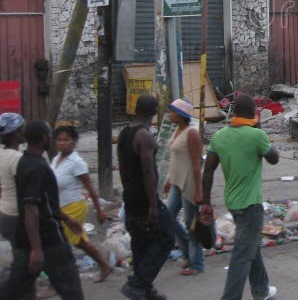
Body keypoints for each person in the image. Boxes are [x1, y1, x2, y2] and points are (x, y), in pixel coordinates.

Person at [201, 94, 279, 300]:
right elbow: (274, 158)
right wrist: (259, 128)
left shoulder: (220, 136)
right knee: (242, 255)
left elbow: (207, 171)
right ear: (254, 113)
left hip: (233, 203)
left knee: (250, 244)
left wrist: (206, 203)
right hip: (251, 205)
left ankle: (261, 289)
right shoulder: (256, 136)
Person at [1, 120, 84, 300]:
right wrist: (37, 249)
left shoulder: (24, 161)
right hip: (49, 239)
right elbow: (32, 208)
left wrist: (68, 219)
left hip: (26, 238)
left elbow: (45, 203)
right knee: (72, 291)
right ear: (44, 138)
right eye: (51, 135)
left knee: (15, 289)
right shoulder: (37, 167)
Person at [118, 94, 174, 300]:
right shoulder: (144, 136)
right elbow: (148, 172)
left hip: (131, 196)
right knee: (166, 237)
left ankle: (146, 290)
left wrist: (127, 191)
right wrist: (152, 205)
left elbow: (123, 168)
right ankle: (138, 284)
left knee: (140, 243)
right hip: (144, 198)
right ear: (154, 112)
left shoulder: (125, 133)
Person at [51, 125, 112, 283]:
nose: (62, 143)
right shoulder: (56, 159)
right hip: (59, 208)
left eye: (66, 140)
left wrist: (99, 211)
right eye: (59, 140)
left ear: (74, 141)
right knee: (80, 241)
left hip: (73, 207)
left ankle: (59, 279)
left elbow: (90, 188)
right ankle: (104, 265)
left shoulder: (77, 162)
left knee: (68, 242)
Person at [163, 99, 204, 276]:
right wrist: (168, 179)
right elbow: (175, 159)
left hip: (189, 182)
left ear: (181, 115)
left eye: (172, 111)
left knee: (191, 223)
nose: (169, 114)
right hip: (176, 181)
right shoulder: (177, 131)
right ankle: (187, 251)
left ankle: (197, 263)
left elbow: (196, 163)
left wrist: (198, 190)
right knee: (168, 217)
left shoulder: (192, 133)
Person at [0, 113, 25, 243]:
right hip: (17, 214)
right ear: (16, 133)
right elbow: (24, 189)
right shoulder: (17, 158)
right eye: (22, 129)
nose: (24, 132)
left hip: (5, 211)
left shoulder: (2, 154)